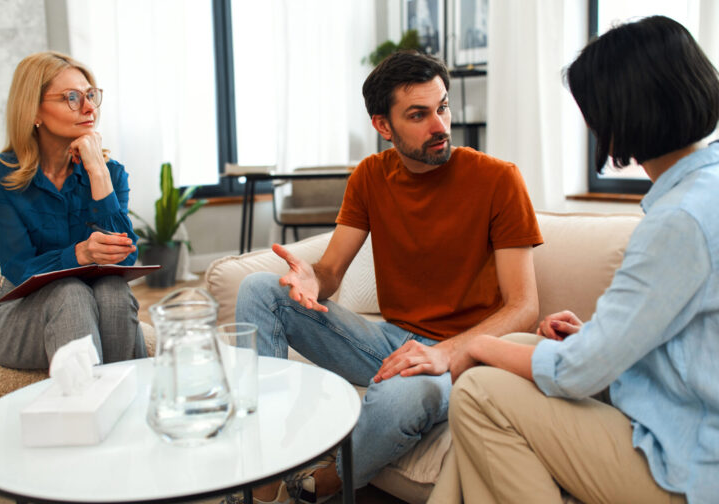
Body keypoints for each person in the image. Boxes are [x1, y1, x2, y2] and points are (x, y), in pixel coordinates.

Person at [429, 15, 719, 504]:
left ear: (621, 112)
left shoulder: (678, 221)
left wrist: (472, 347)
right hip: (691, 416)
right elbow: (694, 342)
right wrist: (595, 336)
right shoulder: (702, 191)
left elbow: (579, 373)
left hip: (690, 465)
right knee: (515, 348)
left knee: (479, 389)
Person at [236, 51, 543, 503]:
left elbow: (524, 307)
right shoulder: (370, 176)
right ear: (384, 126)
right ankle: (262, 484)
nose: (439, 125)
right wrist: (311, 280)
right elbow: (332, 271)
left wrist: (445, 352)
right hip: (390, 342)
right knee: (258, 288)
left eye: (442, 107)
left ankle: (327, 482)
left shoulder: (499, 180)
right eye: (419, 114)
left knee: (404, 397)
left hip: (465, 355)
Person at [0, 51, 145, 369]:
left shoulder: (110, 172)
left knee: (113, 291)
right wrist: (80, 254)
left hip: (97, 301)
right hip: (19, 313)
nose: (90, 108)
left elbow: (125, 258)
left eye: (91, 95)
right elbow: (18, 267)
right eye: (72, 98)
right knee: (70, 292)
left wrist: (98, 172)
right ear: (34, 110)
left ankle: (125, 408)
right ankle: (84, 411)